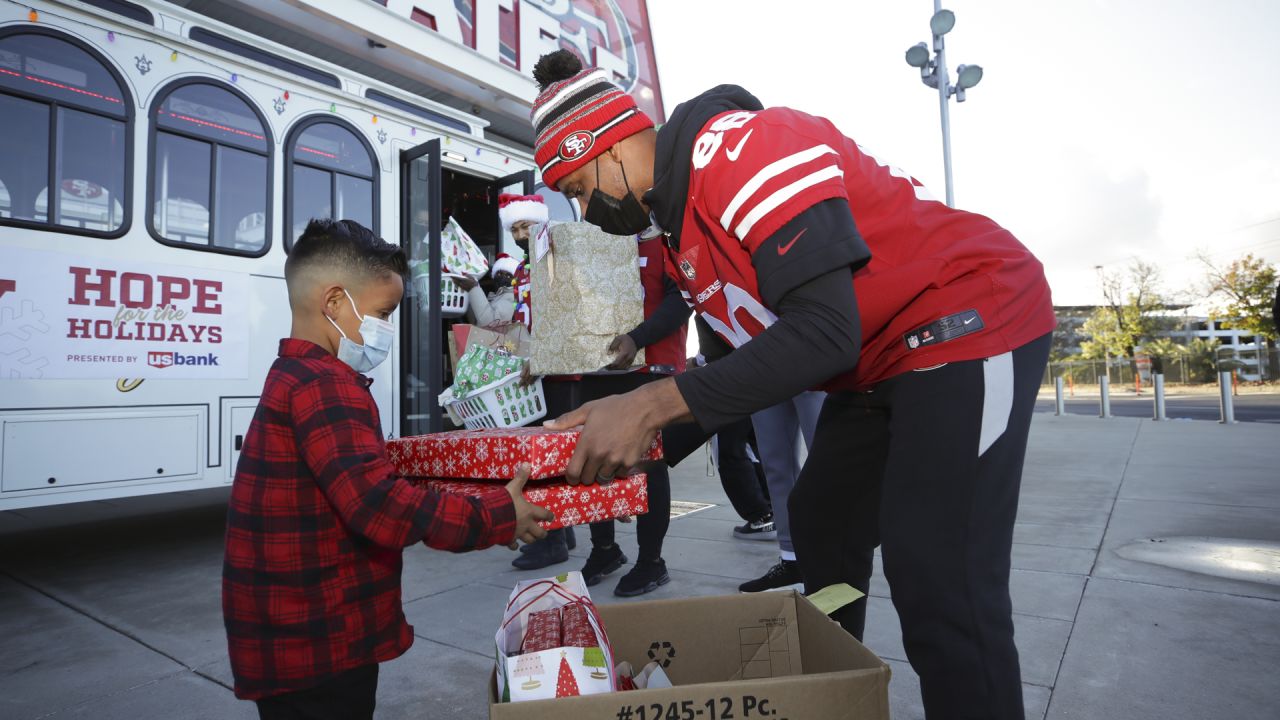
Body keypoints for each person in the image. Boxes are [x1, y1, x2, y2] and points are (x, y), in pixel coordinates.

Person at [531, 50, 1056, 720]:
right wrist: (609, 455)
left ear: (608, 142)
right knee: (822, 522)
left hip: (967, 320)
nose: (584, 209)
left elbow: (824, 331)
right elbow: (730, 375)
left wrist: (649, 402)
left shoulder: (742, 149)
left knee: (939, 577)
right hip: (878, 360)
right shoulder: (682, 231)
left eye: (579, 187)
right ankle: (835, 691)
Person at [222, 219, 553, 719]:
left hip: (293, 636)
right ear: (333, 303)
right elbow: (378, 506)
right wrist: (495, 514)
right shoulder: (325, 385)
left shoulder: (293, 374)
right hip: (320, 646)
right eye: (382, 313)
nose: (387, 329)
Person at [574, 228, 691, 596]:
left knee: (650, 465)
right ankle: (605, 549)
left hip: (649, 366)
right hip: (599, 365)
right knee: (596, 456)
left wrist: (637, 337)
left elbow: (682, 299)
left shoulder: (670, 237)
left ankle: (651, 562)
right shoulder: (592, 239)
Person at [458, 253, 520, 327]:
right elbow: (476, 321)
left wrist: (473, 288)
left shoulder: (511, 298)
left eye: (509, 275)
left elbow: (490, 323)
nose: (503, 277)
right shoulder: (495, 297)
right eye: (499, 274)